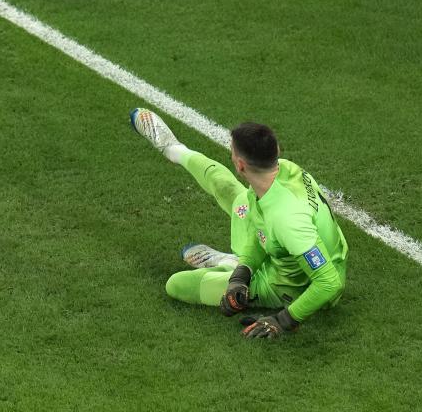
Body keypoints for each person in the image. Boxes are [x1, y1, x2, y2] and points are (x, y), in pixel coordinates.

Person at [129, 108, 348, 339]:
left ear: (240, 165)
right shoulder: (284, 170)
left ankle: (228, 262)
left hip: (291, 287)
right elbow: (265, 227)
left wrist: (283, 320)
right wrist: (240, 276)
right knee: (234, 194)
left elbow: (329, 283)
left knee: (177, 284)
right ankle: (174, 149)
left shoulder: (287, 220)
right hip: (300, 252)